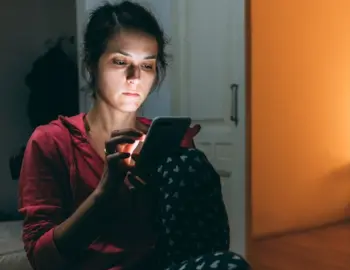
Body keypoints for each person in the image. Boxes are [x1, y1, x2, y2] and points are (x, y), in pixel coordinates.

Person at [17, 1, 251, 270]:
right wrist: (104, 194)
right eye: (120, 62)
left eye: (147, 65)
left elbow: (193, 241)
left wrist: (172, 178)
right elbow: (42, 260)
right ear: (92, 64)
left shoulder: (162, 140)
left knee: (226, 258)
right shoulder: (52, 141)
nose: (134, 77)